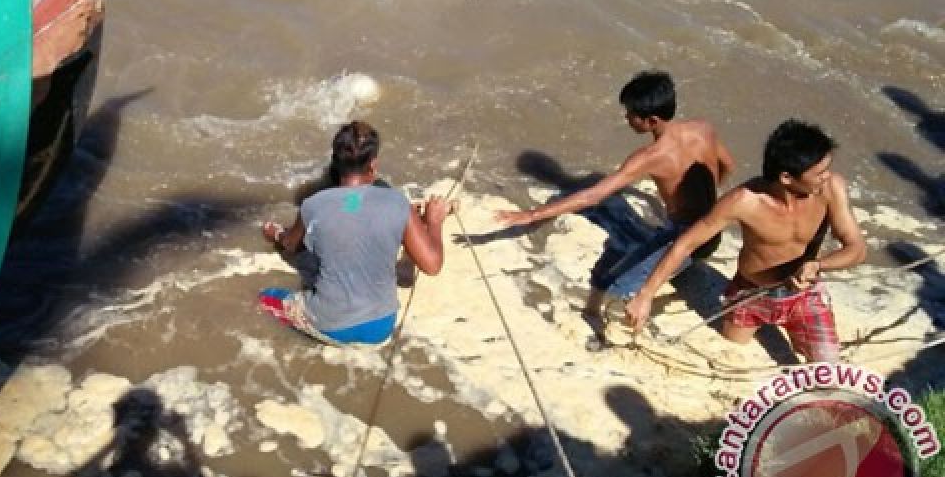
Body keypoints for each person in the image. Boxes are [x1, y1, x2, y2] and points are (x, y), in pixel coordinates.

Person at [495, 71, 735, 320]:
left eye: (632, 114)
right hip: (714, 229)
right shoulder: (703, 129)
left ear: (651, 120)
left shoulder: (650, 157)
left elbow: (593, 196)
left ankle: (595, 316)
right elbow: (728, 164)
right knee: (664, 244)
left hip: (686, 240)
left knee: (610, 281)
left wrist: (533, 214)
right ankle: (684, 266)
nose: (627, 117)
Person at [625, 120, 867, 362]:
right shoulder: (744, 201)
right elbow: (686, 243)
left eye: (827, 169)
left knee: (828, 367)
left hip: (804, 294)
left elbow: (856, 249)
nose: (826, 177)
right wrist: (645, 295)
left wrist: (818, 265)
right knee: (732, 344)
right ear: (786, 177)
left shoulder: (832, 188)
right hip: (750, 293)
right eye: (819, 173)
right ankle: (696, 279)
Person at [258, 121, 450, 345]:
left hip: (330, 325)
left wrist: (276, 233)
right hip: (381, 327)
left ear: (336, 163)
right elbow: (432, 265)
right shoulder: (398, 203)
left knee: (264, 297)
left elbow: (291, 244)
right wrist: (434, 222)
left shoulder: (313, 205)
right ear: (373, 165)